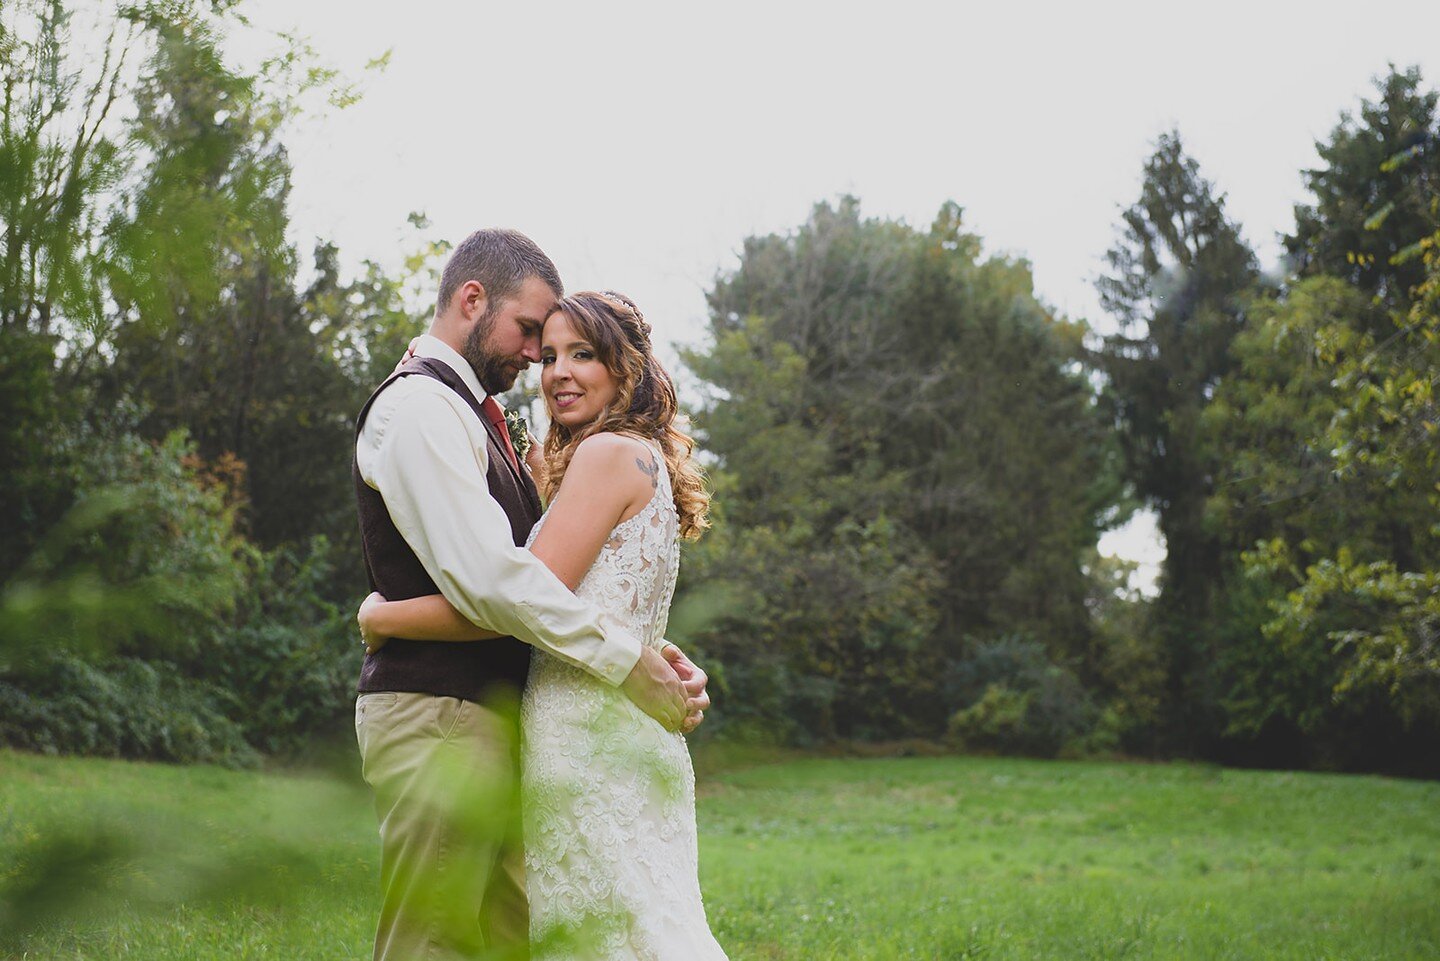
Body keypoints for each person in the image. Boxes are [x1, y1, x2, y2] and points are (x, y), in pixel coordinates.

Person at [351, 229, 710, 961]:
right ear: (472, 299)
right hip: (441, 712)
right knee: (436, 937)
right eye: (535, 340)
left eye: (575, 352)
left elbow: (528, 587)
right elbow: (493, 584)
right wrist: (626, 652)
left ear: (624, 367)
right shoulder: (421, 405)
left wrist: (379, 613)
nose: (539, 362)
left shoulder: (527, 432)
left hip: (516, 718)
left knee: (520, 939)